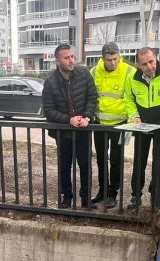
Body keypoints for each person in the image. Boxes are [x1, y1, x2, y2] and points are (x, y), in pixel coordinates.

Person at [124, 47, 160, 211]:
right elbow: (129, 99)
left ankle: (156, 197)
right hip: (142, 125)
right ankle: (136, 195)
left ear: (156, 57)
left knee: (159, 162)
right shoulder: (131, 78)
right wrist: (134, 116)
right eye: (144, 64)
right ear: (138, 65)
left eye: (151, 61)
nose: (149, 66)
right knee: (139, 161)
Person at [42, 44, 98, 209]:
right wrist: (69, 120)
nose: (71, 60)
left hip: (83, 130)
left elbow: (92, 97)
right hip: (63, 132)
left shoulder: (84, 74)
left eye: (72, 57)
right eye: (67, 57)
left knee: (86, 165)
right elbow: (49, 110)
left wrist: (87, 117)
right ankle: (66, 198)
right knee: (65, 166)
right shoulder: (50, 82)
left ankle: (86, 199)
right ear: (58, 60)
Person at [90, 42, 134, 208]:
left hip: (121, 124)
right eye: (109, 60)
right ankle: (102, 191)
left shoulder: (129, 71)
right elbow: (91, 96)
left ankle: (113, 193)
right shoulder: (94, 71)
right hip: (99, 123)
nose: (113, 63)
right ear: (103, 59)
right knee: (101, 160)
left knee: (116, 160)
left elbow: (133, 98)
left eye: (115, 59)